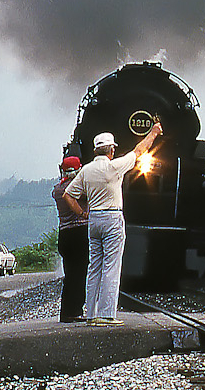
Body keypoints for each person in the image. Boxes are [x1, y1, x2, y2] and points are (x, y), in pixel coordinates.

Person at [63, 123, 162, 325]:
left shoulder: (86, 171)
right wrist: (154, 132)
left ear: (95, 150)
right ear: (112, 150)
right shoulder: (114, 166)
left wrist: (82, 213)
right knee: (111, 267)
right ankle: (107, 314)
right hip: (112, 218)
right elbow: (139, 150)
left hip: (94, 220)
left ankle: (91, 314)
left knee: (94, 268)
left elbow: (68, 195)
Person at [52, 155, 87, 323]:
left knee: (70, 274)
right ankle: (75, 311)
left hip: (64, 234)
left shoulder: (58, 189)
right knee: (80, 274)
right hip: (79, 233)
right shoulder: (78, 189)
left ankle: (66, 311)